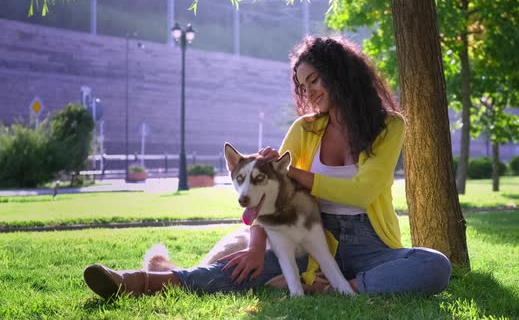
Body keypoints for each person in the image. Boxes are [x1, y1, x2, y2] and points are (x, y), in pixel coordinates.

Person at [83, 36, 452, 299]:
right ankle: (138, 281)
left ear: (340, 75)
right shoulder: (304, 130)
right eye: (302, 85)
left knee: (434, 265)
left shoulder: (389, 126)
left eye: (315, 80)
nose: (308, 93)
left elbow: (363, 191)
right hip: (306, 235)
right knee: (241, 269)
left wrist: (292, 173)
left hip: (371, 244)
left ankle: (342, 289)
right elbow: (269, 199)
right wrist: (257, 246)